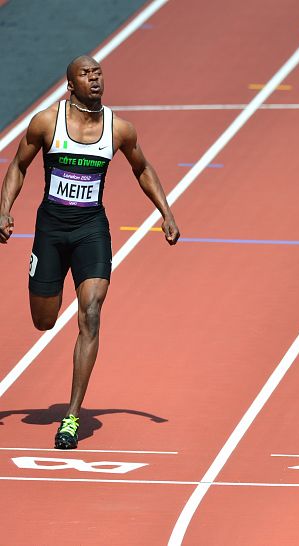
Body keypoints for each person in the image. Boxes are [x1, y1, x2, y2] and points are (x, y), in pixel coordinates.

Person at [0, 55, 179, 449]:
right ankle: (48, 286)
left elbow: (142, 168)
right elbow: (17, 166)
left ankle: (71, 417)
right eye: (85, 73)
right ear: (70, 83)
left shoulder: (119, 129)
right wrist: (4, 209)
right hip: (51, 229)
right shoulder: (47, 123)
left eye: (98, 72)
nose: (94, 78)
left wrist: (165, 212)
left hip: (90, 230)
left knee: (92, 312)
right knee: (43, 322)